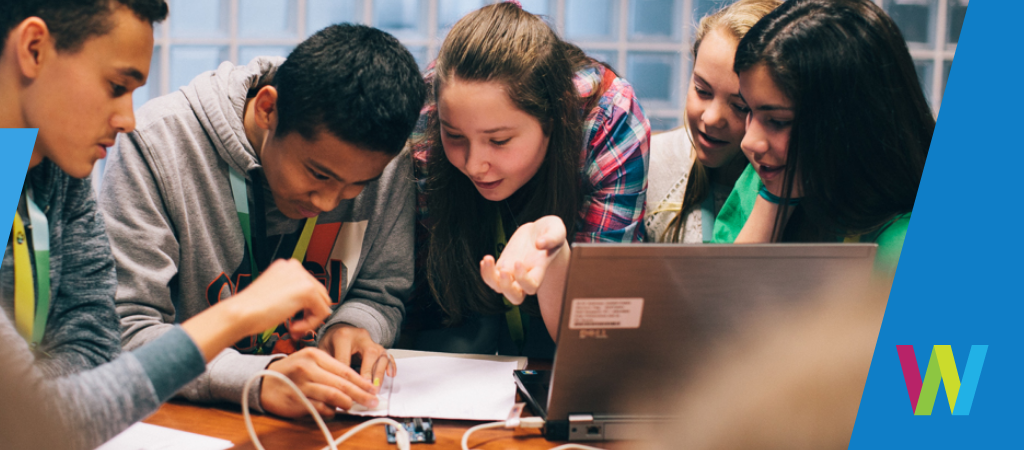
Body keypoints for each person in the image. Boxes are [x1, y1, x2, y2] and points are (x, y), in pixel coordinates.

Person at [0, 1, 334, 448]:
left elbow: (95, 352)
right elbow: (17, 425)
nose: (128, 120)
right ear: (33, 49)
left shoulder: (55, 164)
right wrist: (235, 314)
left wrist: (52, 402)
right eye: (115, 86)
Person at [99, 24, 426, 418]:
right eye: (318, 174)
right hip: (185, 419)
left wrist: (353, 326)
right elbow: (128, 330)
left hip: (323, 419)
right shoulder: (156, 144)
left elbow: (380, 292)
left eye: (357, 185)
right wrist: (259, 378)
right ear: (267, 109)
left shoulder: (385, 164)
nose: (327, 202)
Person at [404, 1, 650, 358]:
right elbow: (418, 308)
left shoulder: (609, 122)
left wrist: (554, 250)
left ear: (552, 122)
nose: (474, 165)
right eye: (454, 135)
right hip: (458, 345)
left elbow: (598, 340)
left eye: (499, 141)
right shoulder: (429, 109)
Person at [712, 0, 932, 275]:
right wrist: (775, 200)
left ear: (851, 123)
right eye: (748, 110)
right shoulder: (766, 179)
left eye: (778, 122)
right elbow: (716, 294)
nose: (749, 142)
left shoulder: (902, 242)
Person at [645, 0, 781, 243]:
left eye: (740, 107)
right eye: (702, 90)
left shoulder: (791, 181)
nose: (711, 118)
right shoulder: (647, 167)